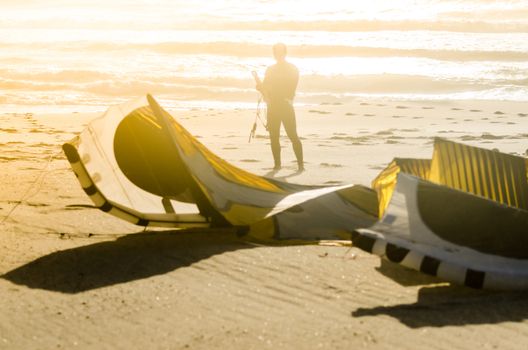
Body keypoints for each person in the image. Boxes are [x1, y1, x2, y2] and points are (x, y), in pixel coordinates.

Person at [256, 43, 304, 171]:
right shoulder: (270, 69)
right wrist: (260, 87)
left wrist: (286, 97)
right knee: (274, 136)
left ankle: (300, 165)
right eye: (276, 52)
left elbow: (291, 88)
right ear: (274, 54)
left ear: (285, 53)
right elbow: (265, 86)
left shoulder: (292, 68)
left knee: (292, 135)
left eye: (280, 52)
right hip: (273, 107)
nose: (278, 54)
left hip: (285, 105)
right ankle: (277, 165)